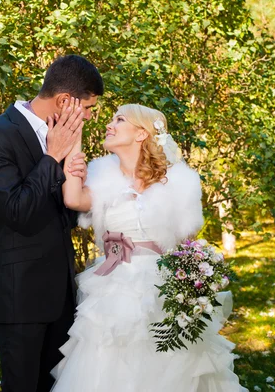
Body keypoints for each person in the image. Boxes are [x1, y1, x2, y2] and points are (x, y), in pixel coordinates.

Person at [51, 104, 248, 391]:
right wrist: (74, 143)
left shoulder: (178, 181)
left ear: (141, 133)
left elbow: (186, 240)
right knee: (110, 358)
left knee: (167, 363)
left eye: (119, 120)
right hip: (114, 286)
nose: (110, 124)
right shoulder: (102, 175)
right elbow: (72, 200)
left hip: (161, 287)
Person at [0, 55, 103, 392]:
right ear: (64, 101)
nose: (89, 116)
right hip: (23, 296)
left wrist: (75, 190)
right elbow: (16, 211)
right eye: (88, 107)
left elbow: (66, 217)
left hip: (62, 291)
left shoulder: (64, 137)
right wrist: (51, 157)